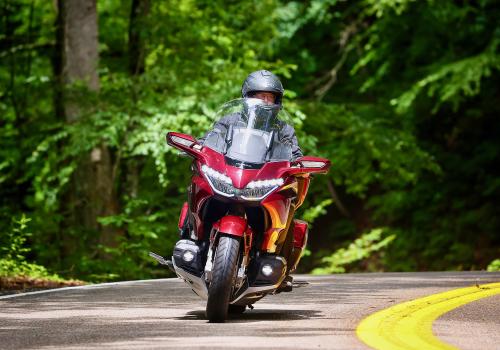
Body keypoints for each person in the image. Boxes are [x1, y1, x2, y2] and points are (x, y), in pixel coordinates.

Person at [199, 70, 303, 160]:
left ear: (276, 101)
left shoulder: (283, 129)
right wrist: (197, 146)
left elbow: (294, 154)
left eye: (270, 97)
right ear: (249, 97)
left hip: (268, 178)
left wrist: (300, 164)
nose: (266, 101)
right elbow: (209, 141)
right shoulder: (229, 121)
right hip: (228, 173)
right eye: (262, 96)